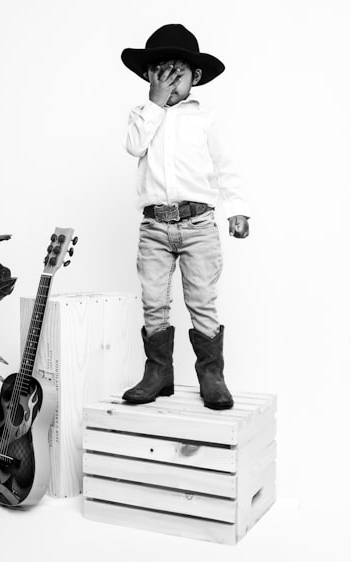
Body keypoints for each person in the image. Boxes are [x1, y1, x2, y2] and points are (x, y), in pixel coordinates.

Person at [119, 23, 250, 410]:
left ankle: (211, 374)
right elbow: (133, 147)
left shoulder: (205, 118)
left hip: (199, 226)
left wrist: (237, 210)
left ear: (196, 77)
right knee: (154, 300)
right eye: (163, 72)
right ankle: (158, 373)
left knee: (202, 299)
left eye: (180, 73)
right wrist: (154, 104)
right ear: (148, 76)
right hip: (155, 227)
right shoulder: (142, 115)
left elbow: (226, 167)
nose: (171, 80)